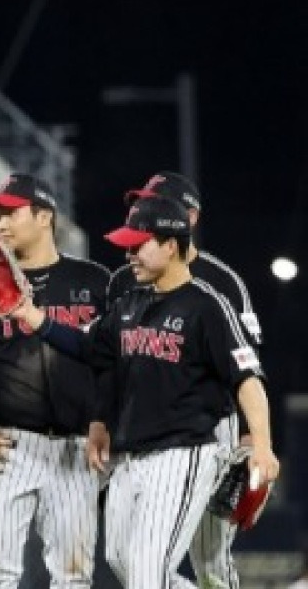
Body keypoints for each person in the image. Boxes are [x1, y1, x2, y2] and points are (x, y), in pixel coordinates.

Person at [12, 195, 280, 588]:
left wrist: (263, 444)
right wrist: (33, 317)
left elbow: (247, 379)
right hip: (129, 457)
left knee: (146, 573)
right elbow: (88, 347)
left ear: (170, 245)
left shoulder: (207, 306)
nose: (129, 255)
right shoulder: (129, 304)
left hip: (181, 453)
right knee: (121, 560)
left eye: (138, 245)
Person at [0, 173, 109, 588]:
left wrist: (103, 419)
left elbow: (112, 362)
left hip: (74, 449)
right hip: (6, 448)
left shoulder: (95, 282)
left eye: (10, 213)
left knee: (74, 577)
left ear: (44, 216)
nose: (0, 223)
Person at [106, 171, 263, 589]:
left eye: (156, 201)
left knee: (209, 557)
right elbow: (113, 355)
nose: (142, 209)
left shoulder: (222, 283)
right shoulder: (126, 279)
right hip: (143, 429)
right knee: (131, 561)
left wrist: (253, 439)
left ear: (188, 217)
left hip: (212, 428)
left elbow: (246, 366)